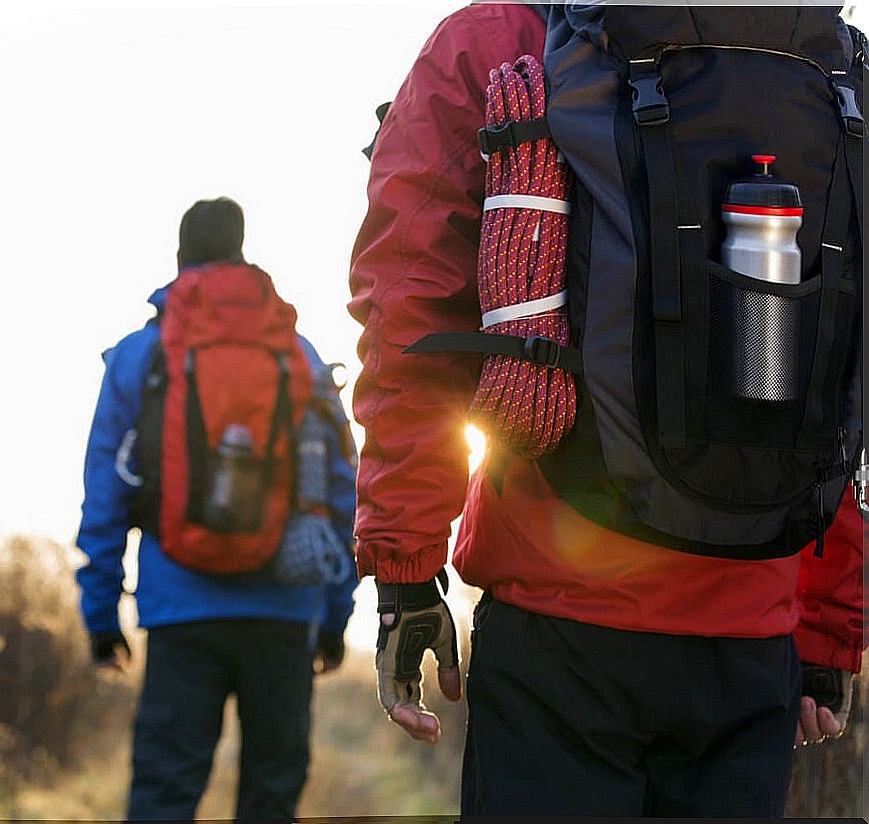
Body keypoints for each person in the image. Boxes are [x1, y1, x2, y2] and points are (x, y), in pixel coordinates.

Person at [349, 1, 865, 817]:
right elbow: (839, 357)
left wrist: (406, 568)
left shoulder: (506, 39)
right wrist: (831, 616)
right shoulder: (821, 58)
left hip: (561, 621)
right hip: (753, 630)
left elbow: (411, 311)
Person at [76, 197, 358, 821]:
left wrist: (100, 616)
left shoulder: (140, 357)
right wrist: (334, 615)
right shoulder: (300, 356)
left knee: (164, 797)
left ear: (179, 262)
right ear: (242, 252)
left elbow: (106, 493)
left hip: (181, 612)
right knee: (270, 797)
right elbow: (340, 491)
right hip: (285, 610)